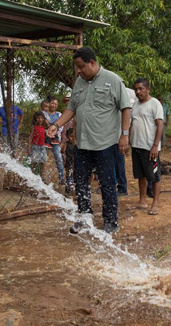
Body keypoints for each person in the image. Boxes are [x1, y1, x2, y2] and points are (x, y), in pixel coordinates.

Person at [47, 46, 131, 234]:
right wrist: (57, 124)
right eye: (77, 67)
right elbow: (72, 108)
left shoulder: (113, 80)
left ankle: (110, 221)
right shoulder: (79, 82)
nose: (78, 71)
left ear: (92, 63)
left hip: (105, 144)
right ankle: (86, 218)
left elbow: (126, 108)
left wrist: (124, 134)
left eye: (81, 66)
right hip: (83, 143)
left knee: (107, 183)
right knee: (81, 182)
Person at [127, 78, 164, 215]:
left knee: (154, 176)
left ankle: (155, 203)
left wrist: (155, 146)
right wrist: (129, 140)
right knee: (140, 175)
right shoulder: (135, 105)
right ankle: (142, 201)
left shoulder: (155, 104)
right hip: (136, 146)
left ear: (148, 89)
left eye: (141, 89)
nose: (138, 92)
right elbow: (132, 123)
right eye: (136, 89)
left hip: (150, 147)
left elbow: (160, 125)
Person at [46, 96, 65, 185]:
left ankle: (61, 178)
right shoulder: (44, 114)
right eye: (53, 103)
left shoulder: (59, 114)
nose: (54, 105)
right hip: (45, 139)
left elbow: (61, 126)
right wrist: (48, 132)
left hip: (56, 139)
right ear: (48, 103)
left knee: (59, 158)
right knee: (42, 158)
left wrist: (54, 133)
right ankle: (39, 177)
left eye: (56, 104)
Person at [28, 111, 48, 179]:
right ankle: (32, 176)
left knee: (42, 162)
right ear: (35, 119)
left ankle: (41, 176)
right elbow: (30, 137)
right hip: (35, 146)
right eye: (38, 118)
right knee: (34, 162)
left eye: (41, 118)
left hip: (42, 146)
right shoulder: (34, 127)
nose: (40, 119)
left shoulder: (44, 127)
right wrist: (28, 147)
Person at [61, 127, 76, 193]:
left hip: (76, 163)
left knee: (75, 176)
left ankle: (74, 188)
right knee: (69, 175)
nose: (72, 138)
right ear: (67, 136)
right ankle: (68, 189)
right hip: (69, 162)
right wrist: (62, 148)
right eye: (71, 136)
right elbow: (62, 151)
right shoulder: (66, 144)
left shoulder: (77, 144)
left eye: (74, 136)